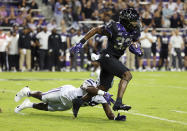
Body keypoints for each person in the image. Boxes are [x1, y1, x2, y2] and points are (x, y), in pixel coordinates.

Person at [71, 8, 143, 117]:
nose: (136, 23)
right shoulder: (114, 27)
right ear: (126, 21)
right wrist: (81, 42)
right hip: (107, 57)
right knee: (127, 75)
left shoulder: (134, 31)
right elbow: (95, 30)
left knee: (102, 88)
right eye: (134, 21)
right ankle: (118, 102)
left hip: (113, 59)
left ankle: (79, 102)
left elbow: (135, 42)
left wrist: (136, 47)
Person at [14, 79, 126, 121]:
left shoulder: (103, 97)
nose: (106, 88)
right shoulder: (91, 83)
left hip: (68, 104)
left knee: (49, 108)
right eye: (105, 86)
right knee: (43, 97)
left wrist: (115, 118)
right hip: (64, 93)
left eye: (107, 87)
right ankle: (27, 91)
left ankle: (28, 104)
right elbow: (85, 88)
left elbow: (109, 113)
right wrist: (102, 93)